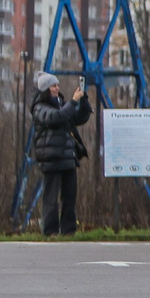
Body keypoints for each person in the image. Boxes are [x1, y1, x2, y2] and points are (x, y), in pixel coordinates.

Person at [29, 72, 93, 236]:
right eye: (53, 86)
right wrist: (73, 102)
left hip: (68, 156)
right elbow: (55, 118)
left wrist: (84, 103)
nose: (57, 88)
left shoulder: (61, 103)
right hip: (51, 157)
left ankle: (68, 230)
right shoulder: (39, 107)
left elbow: (75, 118)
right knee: (51, 198)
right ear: (45, 89)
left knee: (69, 197)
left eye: (57, 85)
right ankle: (50, 231)